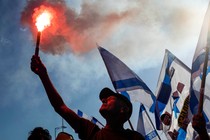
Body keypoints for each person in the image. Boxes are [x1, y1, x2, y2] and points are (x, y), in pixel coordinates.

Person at [30, 55, 145, 140]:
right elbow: (60, 107)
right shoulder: (91, 132)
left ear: (123, 109)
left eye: (109, 98)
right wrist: (43, 75)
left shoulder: (134, 138)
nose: (103, 100)